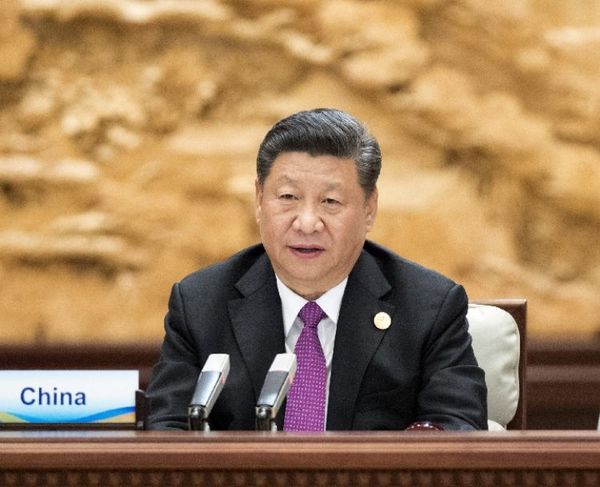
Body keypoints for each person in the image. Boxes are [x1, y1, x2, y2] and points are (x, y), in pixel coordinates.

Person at [146, 108, 487, 431]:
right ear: (259, 199)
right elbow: (166, 430)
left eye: (330, 201)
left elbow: (456, 427)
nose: (307, 223)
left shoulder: (428, 308)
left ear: (369, 209)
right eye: (288, 197)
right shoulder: (200, 305)